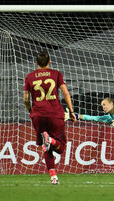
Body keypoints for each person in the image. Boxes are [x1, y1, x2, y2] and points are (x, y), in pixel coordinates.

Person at [23, 51, 76, 185]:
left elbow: (25, 99)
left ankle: (53, 177)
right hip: (55, 114)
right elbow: (65, 92)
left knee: (46, 146)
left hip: (38, 115)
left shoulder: (29, 77)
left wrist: (31, 111)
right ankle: (51, 140)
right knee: (61, 147)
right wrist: (71, 111)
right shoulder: (56, 74)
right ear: (49, 61)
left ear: (36, 62)